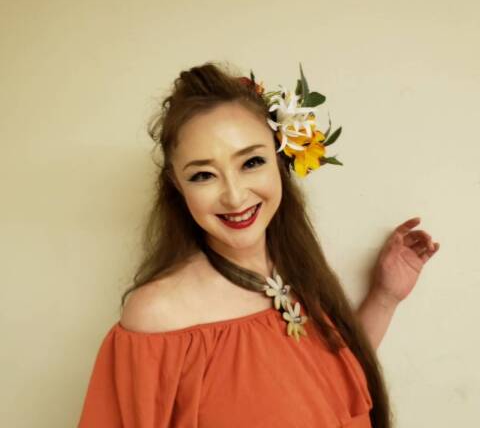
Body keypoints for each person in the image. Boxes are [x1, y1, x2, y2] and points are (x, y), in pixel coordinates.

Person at [77, 61, 440, 427]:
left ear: (279, 159)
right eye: (203, 175)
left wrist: (385, 297)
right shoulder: (159, 315)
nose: (234, 196)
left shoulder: (297, 272)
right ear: (177, 184)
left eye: (251, 162)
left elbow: (331, 398)